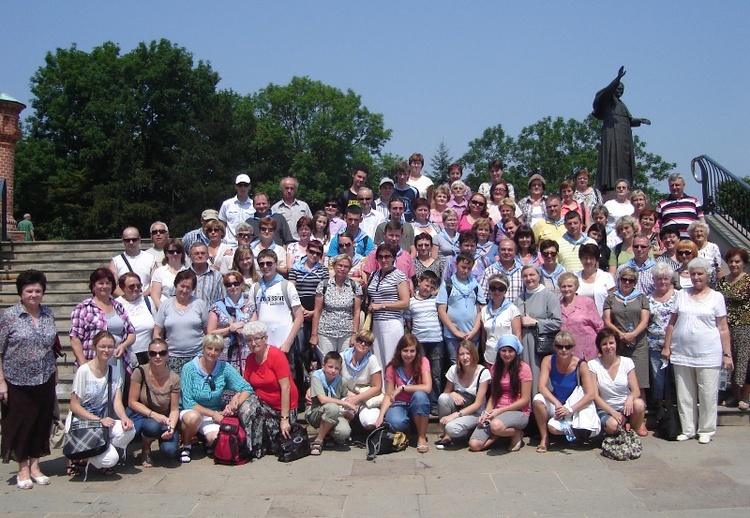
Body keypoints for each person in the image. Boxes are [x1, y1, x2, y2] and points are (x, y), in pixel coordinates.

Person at [663, 257, 732, 443]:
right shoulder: (681, 295)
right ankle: (688, 429)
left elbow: (723, 328)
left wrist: (727, 354)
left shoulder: (716, 297)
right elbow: (672, 323)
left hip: (708, 352)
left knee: (707, 393)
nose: (696, 277)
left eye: (699, 273)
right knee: (685, 394)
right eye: (693, 274)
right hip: (681, 352)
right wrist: (667, 346)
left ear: (707, 275)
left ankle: (706, 430)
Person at [0, 270, 57, 488]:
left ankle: (35, 465)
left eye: (38, 291)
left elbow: (52, 346)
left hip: (45, 376)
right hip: (17, 380)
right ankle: (22, 467)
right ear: (21, 293)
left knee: (41, 422)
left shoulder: (48, 313)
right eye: (29, 291)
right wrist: (1, 382)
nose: (34, 295)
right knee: (20, 424)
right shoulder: (10, 316)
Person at [68, 331, 136, 478]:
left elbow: (117, 401)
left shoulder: (114, 371)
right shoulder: (84, 370)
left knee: (130, 430)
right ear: (94, 347)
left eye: (110, 347)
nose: (106, 350)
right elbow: (74, 405)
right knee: (111, 459)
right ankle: (85, 454)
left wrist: (124, 417)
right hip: (83, 422)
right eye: (102, 346)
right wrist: (98, 420)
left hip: (104, 422)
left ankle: (93, 453)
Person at [179, 334, 253, 462]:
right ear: (203, 348)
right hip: (193, 411)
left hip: (213, 412)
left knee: (215, 440)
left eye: (217, 350)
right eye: (209, 348)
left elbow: (246, 388)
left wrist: (235, 402)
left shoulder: (224, 368)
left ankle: (206, 440)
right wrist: (214, 414)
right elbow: (188, 402)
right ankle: (187, 445)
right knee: (193, 418)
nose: (212, 353)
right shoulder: (189, 368)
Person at [239, 321, 299, 459]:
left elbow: (286, 388)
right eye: (249, 340)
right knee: (247, 407)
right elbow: (246, 387)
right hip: (263, 404)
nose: (253, 343)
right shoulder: (250, 359)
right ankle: (252, 448)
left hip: (283, 407)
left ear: (265, 338)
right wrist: (234, 404)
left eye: (256, 339)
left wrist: (284, 419)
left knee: (278, 445)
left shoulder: (277, 356)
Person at [532, 332, 597, 452]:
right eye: (559, 346)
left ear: (573, 347)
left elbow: (590, 394)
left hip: (573, 405)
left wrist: (570, 409)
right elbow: (541, 386)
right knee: (537, 400)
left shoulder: (581, 364)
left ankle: (577, 431)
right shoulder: (548, 360)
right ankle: (544, 438)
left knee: (554, 428)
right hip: (557, 403)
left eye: (567, 347)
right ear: (554, 347)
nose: (563, 350)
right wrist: (557, 404)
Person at [592, 66, 651, 192]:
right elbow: (608, 91)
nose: (620, 91)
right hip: (612, 133)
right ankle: (611, 185)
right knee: (613, 159)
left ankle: (624, 185)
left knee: (624, 162)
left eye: (622, 89)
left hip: (624, 137)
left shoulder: (622, 104)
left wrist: (640, 120)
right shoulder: (609, 101)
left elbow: (629, 120)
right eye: (618, 88)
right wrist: (618, 78)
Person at [603, 266, 651, 420]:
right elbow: (607, 321)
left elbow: (645, 320)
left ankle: (640, 418)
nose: (627, 282)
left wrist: (632, 334)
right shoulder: (610, 298)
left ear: (635, 282)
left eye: (631, 280)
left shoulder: (642, 297)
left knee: (640, 381)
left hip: (638, 344)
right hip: (619, 344)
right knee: (621, 380)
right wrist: (621, 335)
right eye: (624, 279)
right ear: (619, 280)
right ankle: (622, 415)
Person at [469, 335, 532, 452]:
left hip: (518, 412)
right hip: (496, 412)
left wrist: (500, 411)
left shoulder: (524, 368)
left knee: (496, 426)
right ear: (499, 352)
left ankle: (516, 433)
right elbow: (493, 396)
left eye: (510, 351)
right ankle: (501, 435)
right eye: (503, 350)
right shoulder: (495, 368)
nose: (507, 354)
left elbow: (525, 400)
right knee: (474, 445)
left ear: (516, 352)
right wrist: (485, 413)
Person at [249, 249, 304, 379]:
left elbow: (299, 317)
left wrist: (288, 343)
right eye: (261, 264)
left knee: (288, 381)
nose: (265, 267)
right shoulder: (255, 288)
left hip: (284, 344)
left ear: (276, 264)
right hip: (263, 345)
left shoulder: (287, 286)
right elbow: (254, 316)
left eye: (269, 263)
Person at [127, 338, 180, 467]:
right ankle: (146, 448)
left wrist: (171, 428)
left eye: (162, 353)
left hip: (165, 418)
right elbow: (132, 402)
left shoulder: (174, 378)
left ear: (167, 354)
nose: (157, 356)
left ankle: (165, 439)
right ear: (148, 355)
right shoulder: (140, 372)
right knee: (152, 426)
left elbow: (174, 409)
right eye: (153, 353)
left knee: (170, 451)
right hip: (144, 415)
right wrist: (153, 415)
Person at [376, 334, 432, 453]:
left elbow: (427, 387)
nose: (408, 354)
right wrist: (381, 416)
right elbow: (389, 394)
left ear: (417, 352)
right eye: (405, 350)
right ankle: (407, 428)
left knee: (420, 396)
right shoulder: (392, 367)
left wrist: (403, 388)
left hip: (417, 401)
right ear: (399, 351)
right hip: (400, 403)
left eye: (412, 351)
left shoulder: (423, 361)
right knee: (395, 422)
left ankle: (421, 437)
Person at [70, 268, 135, 368]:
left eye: (108, 283)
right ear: (93, 285)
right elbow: (75, 338)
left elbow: (131, 333)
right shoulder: (83, 308)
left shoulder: (118, 306)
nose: (105, 286)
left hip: (118, 362)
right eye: (100, 283)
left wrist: (123, 345)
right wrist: (83, 365)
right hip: (92, 362)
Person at [515, 264, 562, 394]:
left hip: (540, 345)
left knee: (539, 375)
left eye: (532, 275)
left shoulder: (549, 296)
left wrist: (535, 322)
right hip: (523, 343)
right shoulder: (519, 298)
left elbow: (557, 322)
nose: (529, 278)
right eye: (525, 276)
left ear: (539, 276)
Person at [589, 329, 646, 435]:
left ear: (616, 344)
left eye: (611, 343)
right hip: (606, 408)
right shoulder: (593, 365)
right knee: (614, 426)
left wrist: (630, 398)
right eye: (604, 344)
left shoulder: (627, 362)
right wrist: (613, 412)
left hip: (625, 406)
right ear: (600, 346)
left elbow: (636, 391)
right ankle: (614, 431)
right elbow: (595, 396)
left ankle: (632, 434)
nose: (608, 347)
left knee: (639, 404)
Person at [435, 340, 491, 448]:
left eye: (468, 353)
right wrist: (452, 393)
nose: (465, 357)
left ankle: (468, 431)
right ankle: (446, 436)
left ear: (473, 354)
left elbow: (478, 404)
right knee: (443, 398)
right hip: (459, 407)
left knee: (451, 428)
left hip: (476, 413)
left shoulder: (483, 372)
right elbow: (446, 392)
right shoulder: (453, 369)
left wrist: (455, 415)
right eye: (461, 354)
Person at [153, 270, 209, 375]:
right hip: (172, 358)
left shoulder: (199, 304)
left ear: (193, 289)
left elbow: (207, 331)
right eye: (182, 286)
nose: (184, 290)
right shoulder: (165, 305)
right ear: (175, 285)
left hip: (197, 357)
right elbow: (157, 333)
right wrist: (160, 353)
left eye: (188, 287)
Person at [367, 243, 410, 371]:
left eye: (387, 256)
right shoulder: (374, 275)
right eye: (380, 257)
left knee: (391, 360)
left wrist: (382, 306)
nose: (384, 260)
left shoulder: (399, 275)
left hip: (392, 322)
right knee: (378, 360)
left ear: (393, 257)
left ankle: (393, 389)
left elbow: (405, 303)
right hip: (376, 322)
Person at [405, 270, 443, 413]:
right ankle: (420, 402)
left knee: (435, 373)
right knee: (420, 372)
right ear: (419, 282)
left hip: (436, 340)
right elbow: (409, 322)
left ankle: (434, 404)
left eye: (431, 287)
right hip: (419, 341)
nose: (428, 289)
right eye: (426, 285)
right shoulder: (411, 302)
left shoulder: (436, 301)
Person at [716, 248, 750, 410]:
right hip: (725, 326)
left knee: (744, 361)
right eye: (731, 261)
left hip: (745, 326)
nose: (734, 264)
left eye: (737, 261)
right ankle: (733, 395)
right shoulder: (722, 282)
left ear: (744, 263)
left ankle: (745, 396)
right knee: (729, 361)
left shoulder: (748, 281)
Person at [438, 251, 485, 365]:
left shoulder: (476, 286)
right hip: (452, 334)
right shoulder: (447, 285)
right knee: (455, 363)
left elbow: (481, 311)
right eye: (463, 267)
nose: (465, 271)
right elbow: (441, 310)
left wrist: (474, 332)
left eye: (469, 268)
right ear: (456, 264)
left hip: (472, 334)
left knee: (472, 362)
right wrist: (454, 331)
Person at [311, 253, 362, 354]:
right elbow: (317, 311)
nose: (342, 269)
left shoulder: (355, 286)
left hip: (347, 333)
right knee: (326, 364)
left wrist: (354, 334)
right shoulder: (323, 285)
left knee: (345, 364)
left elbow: (356, 312)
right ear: (334, 266)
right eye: (340, 265)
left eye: (346, 266)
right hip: (326, 332)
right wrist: (314, 335)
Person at [305, 351, 355, 455]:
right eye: (330, 367)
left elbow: (346, 395)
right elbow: (322, 399)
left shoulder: (341, 381)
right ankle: (319, 440)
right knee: (332, 407)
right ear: (323, 365)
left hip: (334, 413)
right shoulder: (316, 376)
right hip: (316, 412)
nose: (333, 371)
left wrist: (355, 399)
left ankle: (328, 435)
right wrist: (345, 403)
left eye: (336, 368)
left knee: (344, 432)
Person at [207, 271, 252, 375]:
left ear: (242, 284)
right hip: (224, 353)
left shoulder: (250, 305)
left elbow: (254, 330)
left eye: (236, 283)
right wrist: (229, 329)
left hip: (245, 353)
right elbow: (210, 333)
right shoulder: (217, 306)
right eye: (228, 284)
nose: (233, 287)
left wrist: (243, 329)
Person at [646, 262, 676, 408]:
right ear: (654, 280)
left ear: (670, 279)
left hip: (675, 344)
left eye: (665, 278)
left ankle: (670, 406)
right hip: (653, 342)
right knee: (657, 378)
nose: (662, 281)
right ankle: (659, 407)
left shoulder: (678, 296)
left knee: (673, 377)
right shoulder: (648, 298)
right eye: (659, 278)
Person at [340, 330, 383, 430]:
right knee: (338, 411)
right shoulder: (342, 356)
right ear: (355, 340)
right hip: (345, 396)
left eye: (367, 343)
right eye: (360, 340)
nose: (363, 344)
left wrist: (358, 398)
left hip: (365, 399)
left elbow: (377, 387)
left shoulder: (372, 359)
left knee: (370, 422)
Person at [559, 272, 604, 362]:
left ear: (576, 286)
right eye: (563, 286)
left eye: (570, 286)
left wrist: (601, 348)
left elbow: (599, 327)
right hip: (566, 353)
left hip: (588, 352)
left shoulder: (587, 303)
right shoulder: (557, 305)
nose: (566, 289)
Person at [480, 274, 522, 367]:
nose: (496, 291)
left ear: (505, 290)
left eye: (501, 288)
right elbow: (484, 336)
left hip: (507, 357)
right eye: (493, 288)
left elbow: (517, 335)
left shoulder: (512, 309)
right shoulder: (484, 310)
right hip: (489, 357)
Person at [116, 272, 155, 366]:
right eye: (131, 286)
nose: (136, 289)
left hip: (148, 355)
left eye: (139, 285)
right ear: (122, 287)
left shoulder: (148, 301)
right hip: (125, 355)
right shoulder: (116, 304)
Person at [109, 227, 157, 297]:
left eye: (134, 240)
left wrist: (141, 297)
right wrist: (127, 298)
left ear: (139, 240)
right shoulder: (115, 261)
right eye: (127, 240)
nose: (131, 243)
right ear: (123, 241)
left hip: (144, 301)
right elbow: (113, 285)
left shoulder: (151, 259)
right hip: (124, 303)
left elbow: (155, 284)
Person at [656, 173, 705, 239]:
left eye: (677, 185)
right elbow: (657, 225)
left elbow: (701, 220)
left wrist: (704, 235)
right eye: (671, 185)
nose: (674, 187)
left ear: (683, 185)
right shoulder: (662, 204)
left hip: (691, 241)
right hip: (670, 242)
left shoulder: (693, 201)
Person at [576, 243, 616, 317]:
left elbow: (613, 302)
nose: (588, 261)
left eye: (591, 258)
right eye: (585, 258)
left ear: (596, 260)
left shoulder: (606, 277)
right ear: (580, 259)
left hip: (602, 320)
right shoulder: (575, 277)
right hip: (580, 320)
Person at [150, 238, 188, 310]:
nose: (175, 254)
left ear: (182, 253)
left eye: (178, 251)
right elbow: (155, 296)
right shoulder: (159, 272)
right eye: (171, 252)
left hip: (185, 310)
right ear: (166, 253)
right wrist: (163, 310)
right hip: (165, 310)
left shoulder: (188, 272)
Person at [219, 173, 255, 246]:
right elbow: (221, 226)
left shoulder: (254, 205)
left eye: (245, 185)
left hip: (249, 244)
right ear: (236, 187)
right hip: (229, 245)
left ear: (250, 187)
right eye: (240, 185)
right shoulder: (227, 204)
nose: (243, 187)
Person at [272, 176, 312, 241]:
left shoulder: (304, 206)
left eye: (292, 188)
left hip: (301, 242)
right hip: (283, 244)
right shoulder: (275, 208)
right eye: (286, 188)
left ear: (295, 190)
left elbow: (311, 225)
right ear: (282, 189)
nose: (289, 191)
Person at [188, 242, 225, 307]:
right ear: (190, 256)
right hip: (188, 315)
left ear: (208, 255)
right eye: (196, 254)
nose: (200, 256)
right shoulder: (183, 275)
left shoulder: (217, 276)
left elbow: (221, 300)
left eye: (203, 253)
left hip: (209, 315)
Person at [688, 220, 722, 288]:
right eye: (696, 231)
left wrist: (720, 286)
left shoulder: (713, 247)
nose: (699, 234)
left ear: (706, 233)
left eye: (701, 231)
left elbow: (719, 269)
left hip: (712, 285)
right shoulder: (689, 248)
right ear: (692, 234)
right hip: (693, 284)